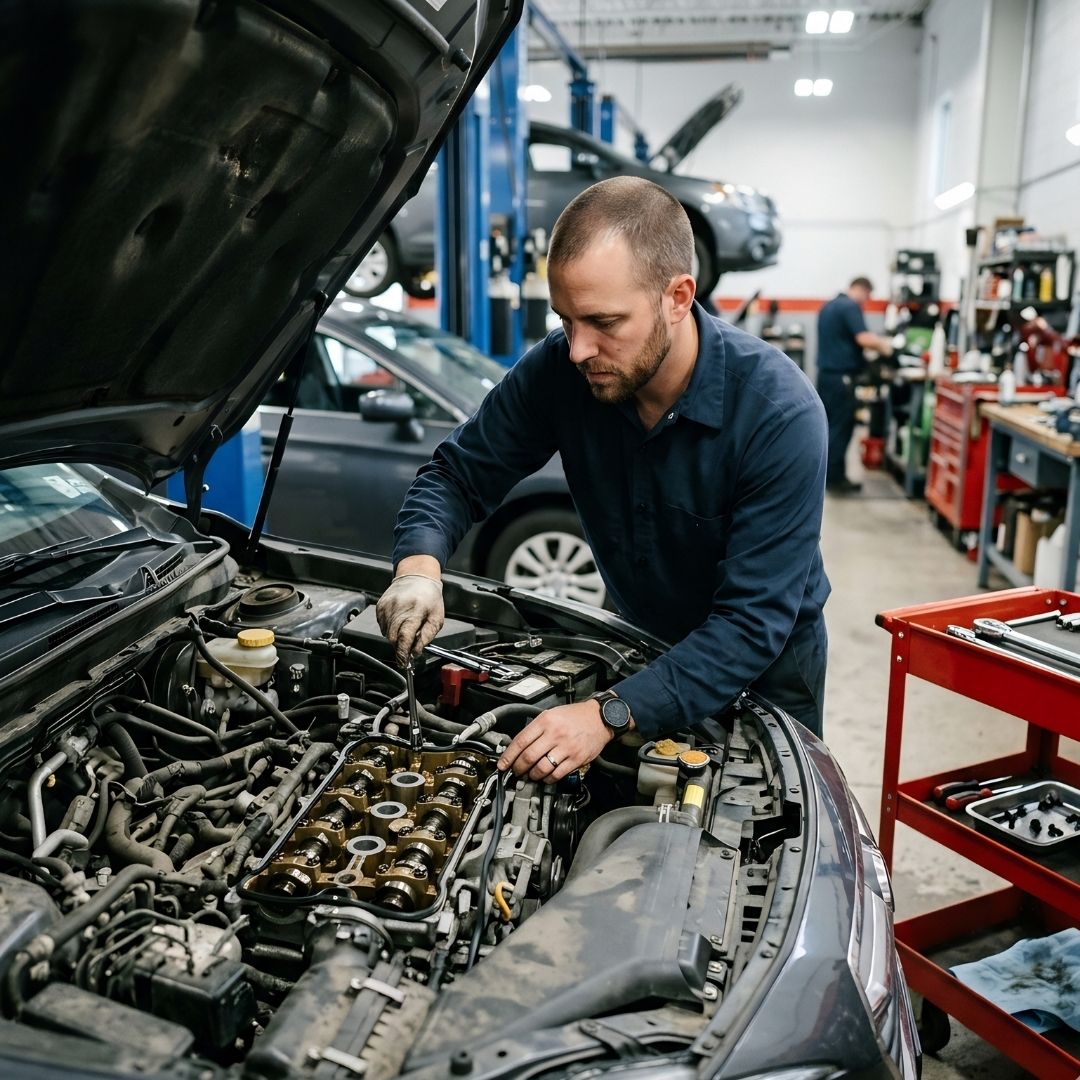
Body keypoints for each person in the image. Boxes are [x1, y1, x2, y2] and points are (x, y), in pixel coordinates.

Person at [376, 176, 831, 785]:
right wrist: (418, 570)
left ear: (677, 296)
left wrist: (608, 713)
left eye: (603, 321)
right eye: (565, 320)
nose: (577, 349)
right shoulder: (562, 372)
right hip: (639, 640)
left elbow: (750, 625)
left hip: (767, 674)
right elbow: (456, 473)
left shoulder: (778, 415)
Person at [815, 278, 894, 494]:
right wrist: (886, 347)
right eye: (868, 297)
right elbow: (864, 338)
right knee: (841, 427)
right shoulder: (850, 306)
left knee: (830, 426)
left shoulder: (829, 305)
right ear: (862, 289)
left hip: (826, 376)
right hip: (842, 377)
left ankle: (826, 476)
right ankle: (834, 478)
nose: (866, 302)